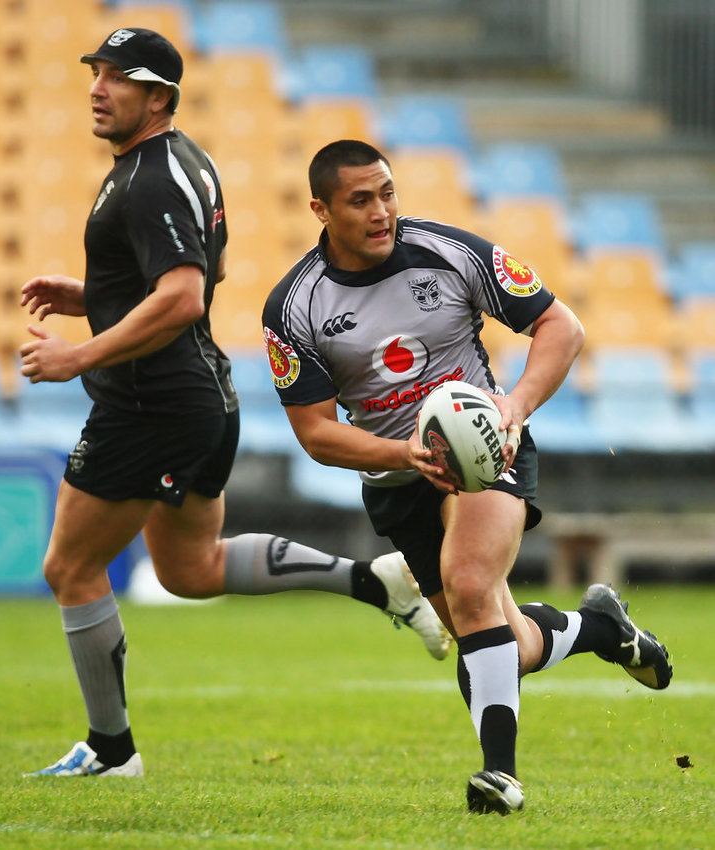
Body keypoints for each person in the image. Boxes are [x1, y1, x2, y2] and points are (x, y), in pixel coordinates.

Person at [19, 30, 450, 779]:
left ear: (158, 97)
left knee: (70, 568)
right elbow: (205, 268)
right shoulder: (179, 162)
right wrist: (96, 297)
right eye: (95, 72)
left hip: (150, 405)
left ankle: (112, 751)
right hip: (195, 396)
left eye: (118, 77)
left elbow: (184, 294)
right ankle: (373, 580)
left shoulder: (150, 176)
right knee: (190, 569)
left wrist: (79, 353)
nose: (97, 87)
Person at [262, 139, 673, 815]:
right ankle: (604, 631)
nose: (380, 211)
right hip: (395, 481)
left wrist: (513, 407)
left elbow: (559, 326)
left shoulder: (450, 252)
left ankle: (500, 778)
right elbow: (314, 432)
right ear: (320, 209)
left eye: (387, 192)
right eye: (360, 200)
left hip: (487, 452)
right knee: (501, 643)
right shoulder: (294, 307)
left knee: (471, 584)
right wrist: (401, 456)